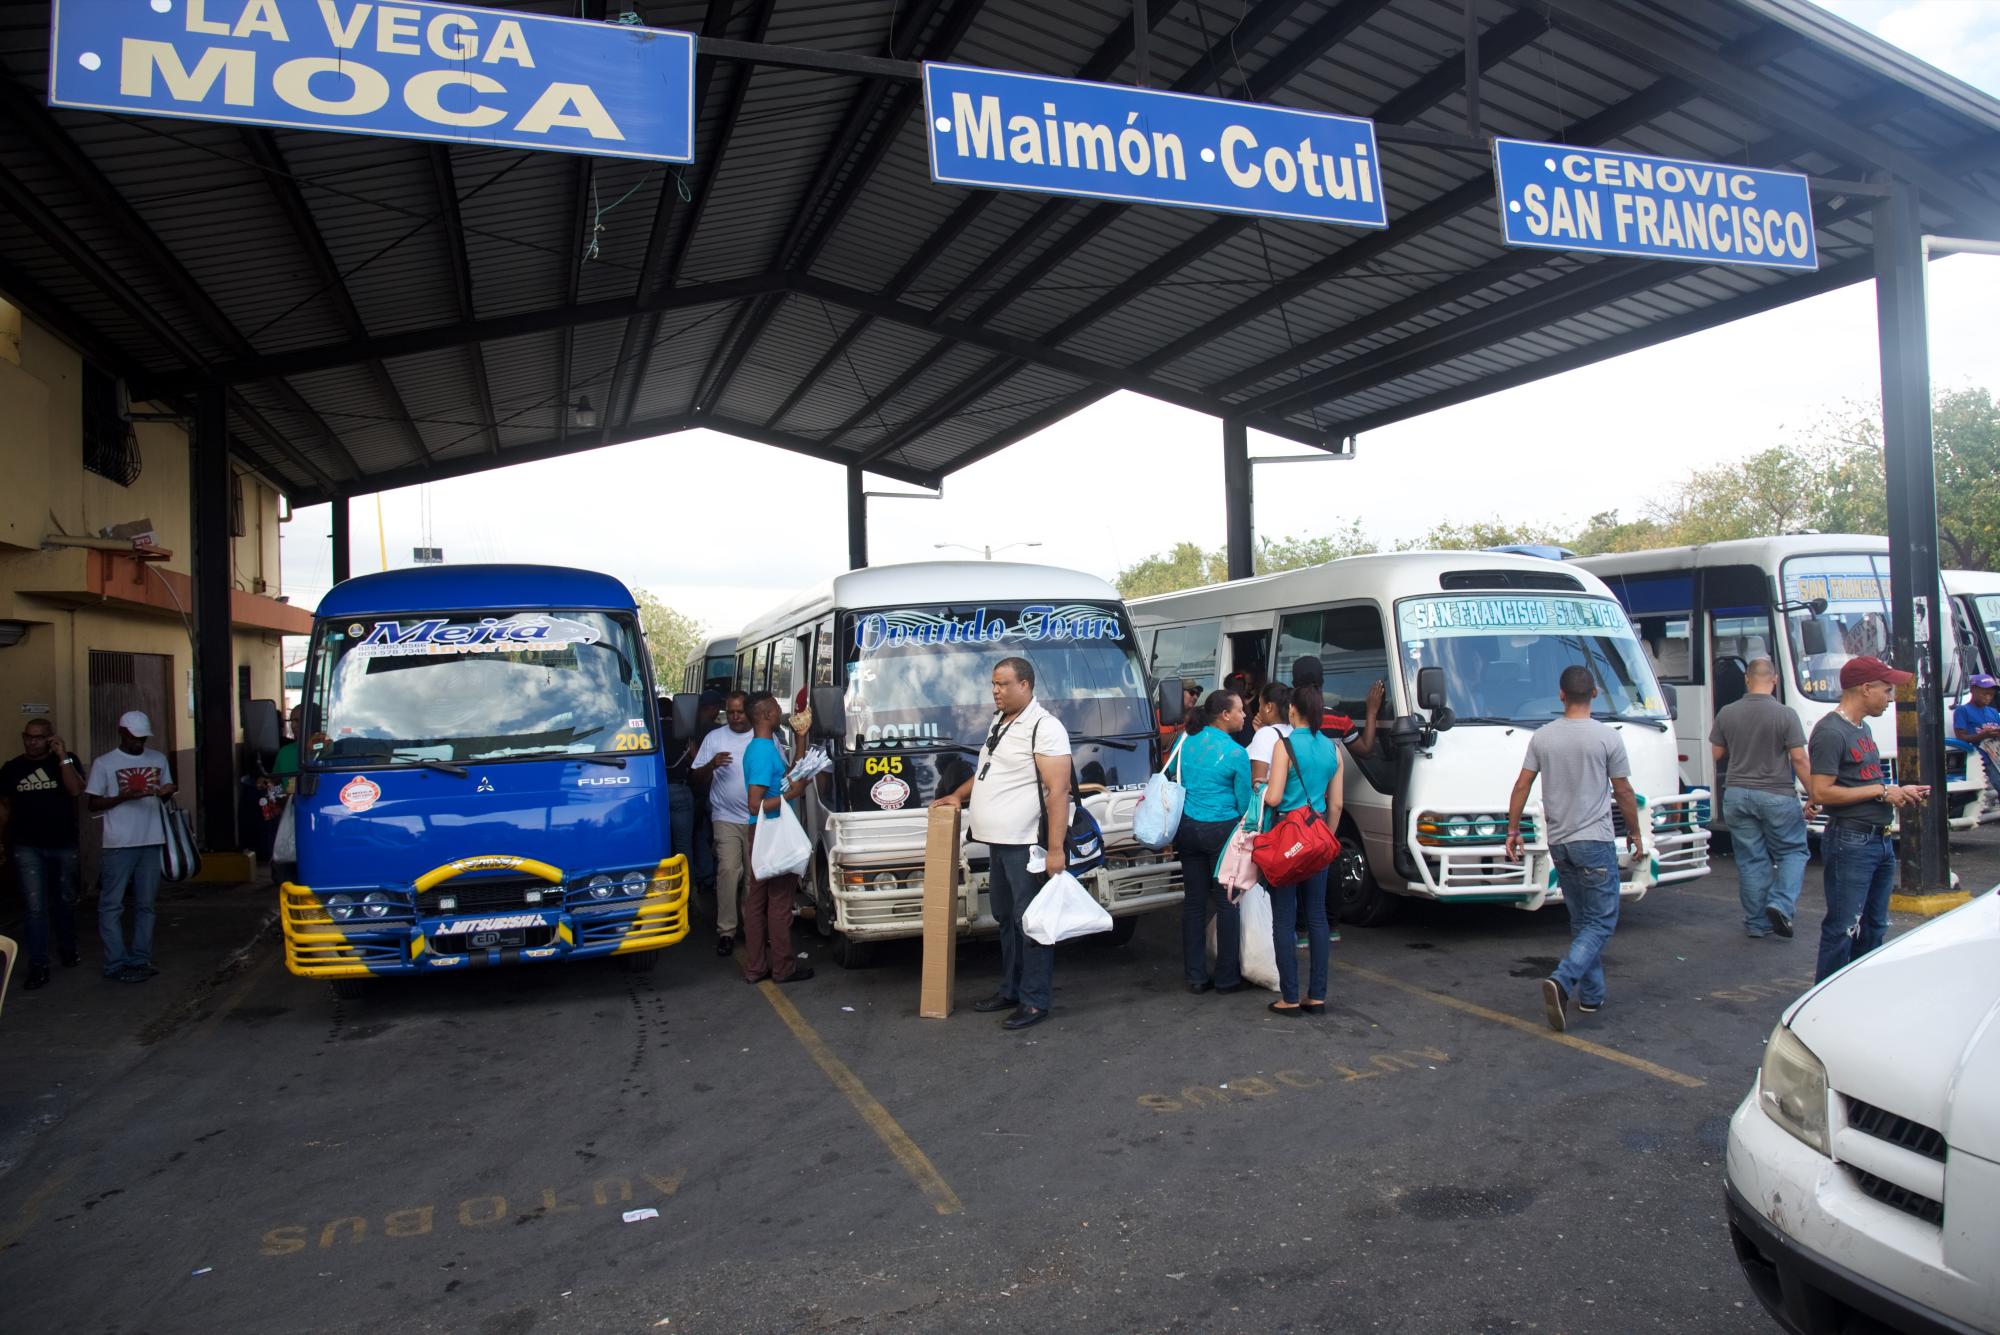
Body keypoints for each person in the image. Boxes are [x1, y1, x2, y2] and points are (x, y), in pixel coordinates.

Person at [931, 656, 1071, 1032]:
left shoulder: (1044, 727)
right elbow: (987, 772)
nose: (996, 691)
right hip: (999, 844)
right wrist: (957, 796)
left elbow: (1059, 791)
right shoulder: (1001, 721)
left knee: (1031, 923)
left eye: (1003, 684)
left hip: (1025, 845)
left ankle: (1034, 1000)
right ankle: (1011, 989)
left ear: (1025, 685)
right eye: (993, 684)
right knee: (1006, 919)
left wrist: (1056, 849)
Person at [1505, 666, 1641, 1032]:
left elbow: (1522, 785)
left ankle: (1592, 995)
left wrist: (1513, 830)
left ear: (1561, 694)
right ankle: (1563, 980)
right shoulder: (1608, 738)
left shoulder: (1543, 737)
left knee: (1582, 921)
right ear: (1594, 693)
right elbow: (1624, 791)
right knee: (1603, 921)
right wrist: (1635, 833)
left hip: (1560, 843)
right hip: (1594, 841)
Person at [1807, 656, 1927, 983]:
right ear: (1865, 688)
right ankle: (1826, 997)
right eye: (1886, 690)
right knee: (1843, 926)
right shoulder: (1831, 731)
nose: (1890, 697)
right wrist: (1882, 791)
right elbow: (1821, 791)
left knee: (1874, 925)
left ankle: (1858, 989)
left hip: (1879, 839)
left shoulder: (1862, 728)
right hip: (1852, 841)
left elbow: (1862, 783)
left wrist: (1898, 791)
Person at [1710, 658, 1812, 940]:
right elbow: (1799, 758)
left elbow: (1717, 754)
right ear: (1774, 680)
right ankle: (1780, 904)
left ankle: (1757, 923)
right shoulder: (1786, 714)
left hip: (1736, 794)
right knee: (1792, 852)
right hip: (1776, 794)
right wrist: (1815, 794)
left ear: (1747, 678)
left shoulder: (1727, 712)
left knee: (1751, 860)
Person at [1260, 685, 1343, 1016]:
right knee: (1317, 916)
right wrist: (1325, 839)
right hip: (1317, 836)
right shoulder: (1332, 749)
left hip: (1287, 839)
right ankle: (1317, 996)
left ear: (1292, 710)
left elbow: (1274, 798)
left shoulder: (1285, 746)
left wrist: (1261, 788)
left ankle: (1290, 997)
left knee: (1284, 918)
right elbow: (1336, 805)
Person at [85, 711, 177, 984]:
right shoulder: (104, 763)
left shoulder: (158, 759)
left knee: (146, 905)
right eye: (134, 738)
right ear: (122, 732)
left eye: (143, 738)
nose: (139, 743)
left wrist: (167, 790)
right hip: (118, 843)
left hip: (151, 840)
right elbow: (92, 804)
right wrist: (123, 797)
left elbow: (165, 795)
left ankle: (140, 959)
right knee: (111, 906)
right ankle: (115, 963)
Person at [1173, 689, 1253, 995]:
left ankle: (1195, 976)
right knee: (1226, 902)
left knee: (1194, 903)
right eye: (1240, 710)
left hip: (1187, 828)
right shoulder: (1236, 753)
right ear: (1224, 715)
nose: (1244, 715)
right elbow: (1244, 803)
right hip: (1222, 833)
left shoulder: (1185, 742)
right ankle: (1226, 978)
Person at [0, 716, 86, 990]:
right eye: (28, 736)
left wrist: (62, 757)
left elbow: (76, 790)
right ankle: (39, 965)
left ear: (50, 739)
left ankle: (68, 947)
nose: (32, 742)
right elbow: (5, 806)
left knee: (65, 900)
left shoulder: (66, 761)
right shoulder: (12, 768)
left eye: (38, 737)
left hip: (63, 843)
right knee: (34, 907)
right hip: (27, 846)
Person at [740, 693, 813, 985]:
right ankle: (783, 967)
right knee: (779, 902)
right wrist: (792, 795)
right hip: (771, 832)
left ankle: (756, 967)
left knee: (757, 901)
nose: (779, 711)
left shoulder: (766, 746)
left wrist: (801, 739)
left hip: (763, 832)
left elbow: (788, 776)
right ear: (767, 715)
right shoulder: (761, 751)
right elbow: (754, 804)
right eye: (775, 707)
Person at [691, 691, 755, 957]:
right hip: (725, 816)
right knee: (728, 871)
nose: (735, 717)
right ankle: (726, 931)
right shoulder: (714, 738)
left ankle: (752, 929)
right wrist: (712, 765)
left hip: (755, 819)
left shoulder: (763, 737)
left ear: (749, 711)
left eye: (740, 712)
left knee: (753, 877)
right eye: (730, 713)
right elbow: (695, 778)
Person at [1953, 672, 2000, 798]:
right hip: (1980, 757)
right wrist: (1983, 735)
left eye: (1991, 694)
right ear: (1973, 690)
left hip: (1996, 755)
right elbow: (1961, 737)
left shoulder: (1993, 712)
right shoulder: (1963, 710)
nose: (1988, 697)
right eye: (1985, 693)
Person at [1244, 682, 1294, 788]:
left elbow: (1257, 786)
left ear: (1269, 707)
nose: (1259, 709)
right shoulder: (1294, 730)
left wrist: (1261, 734)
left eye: (1260, 704)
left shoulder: (1265, 734)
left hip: (1271, 797)